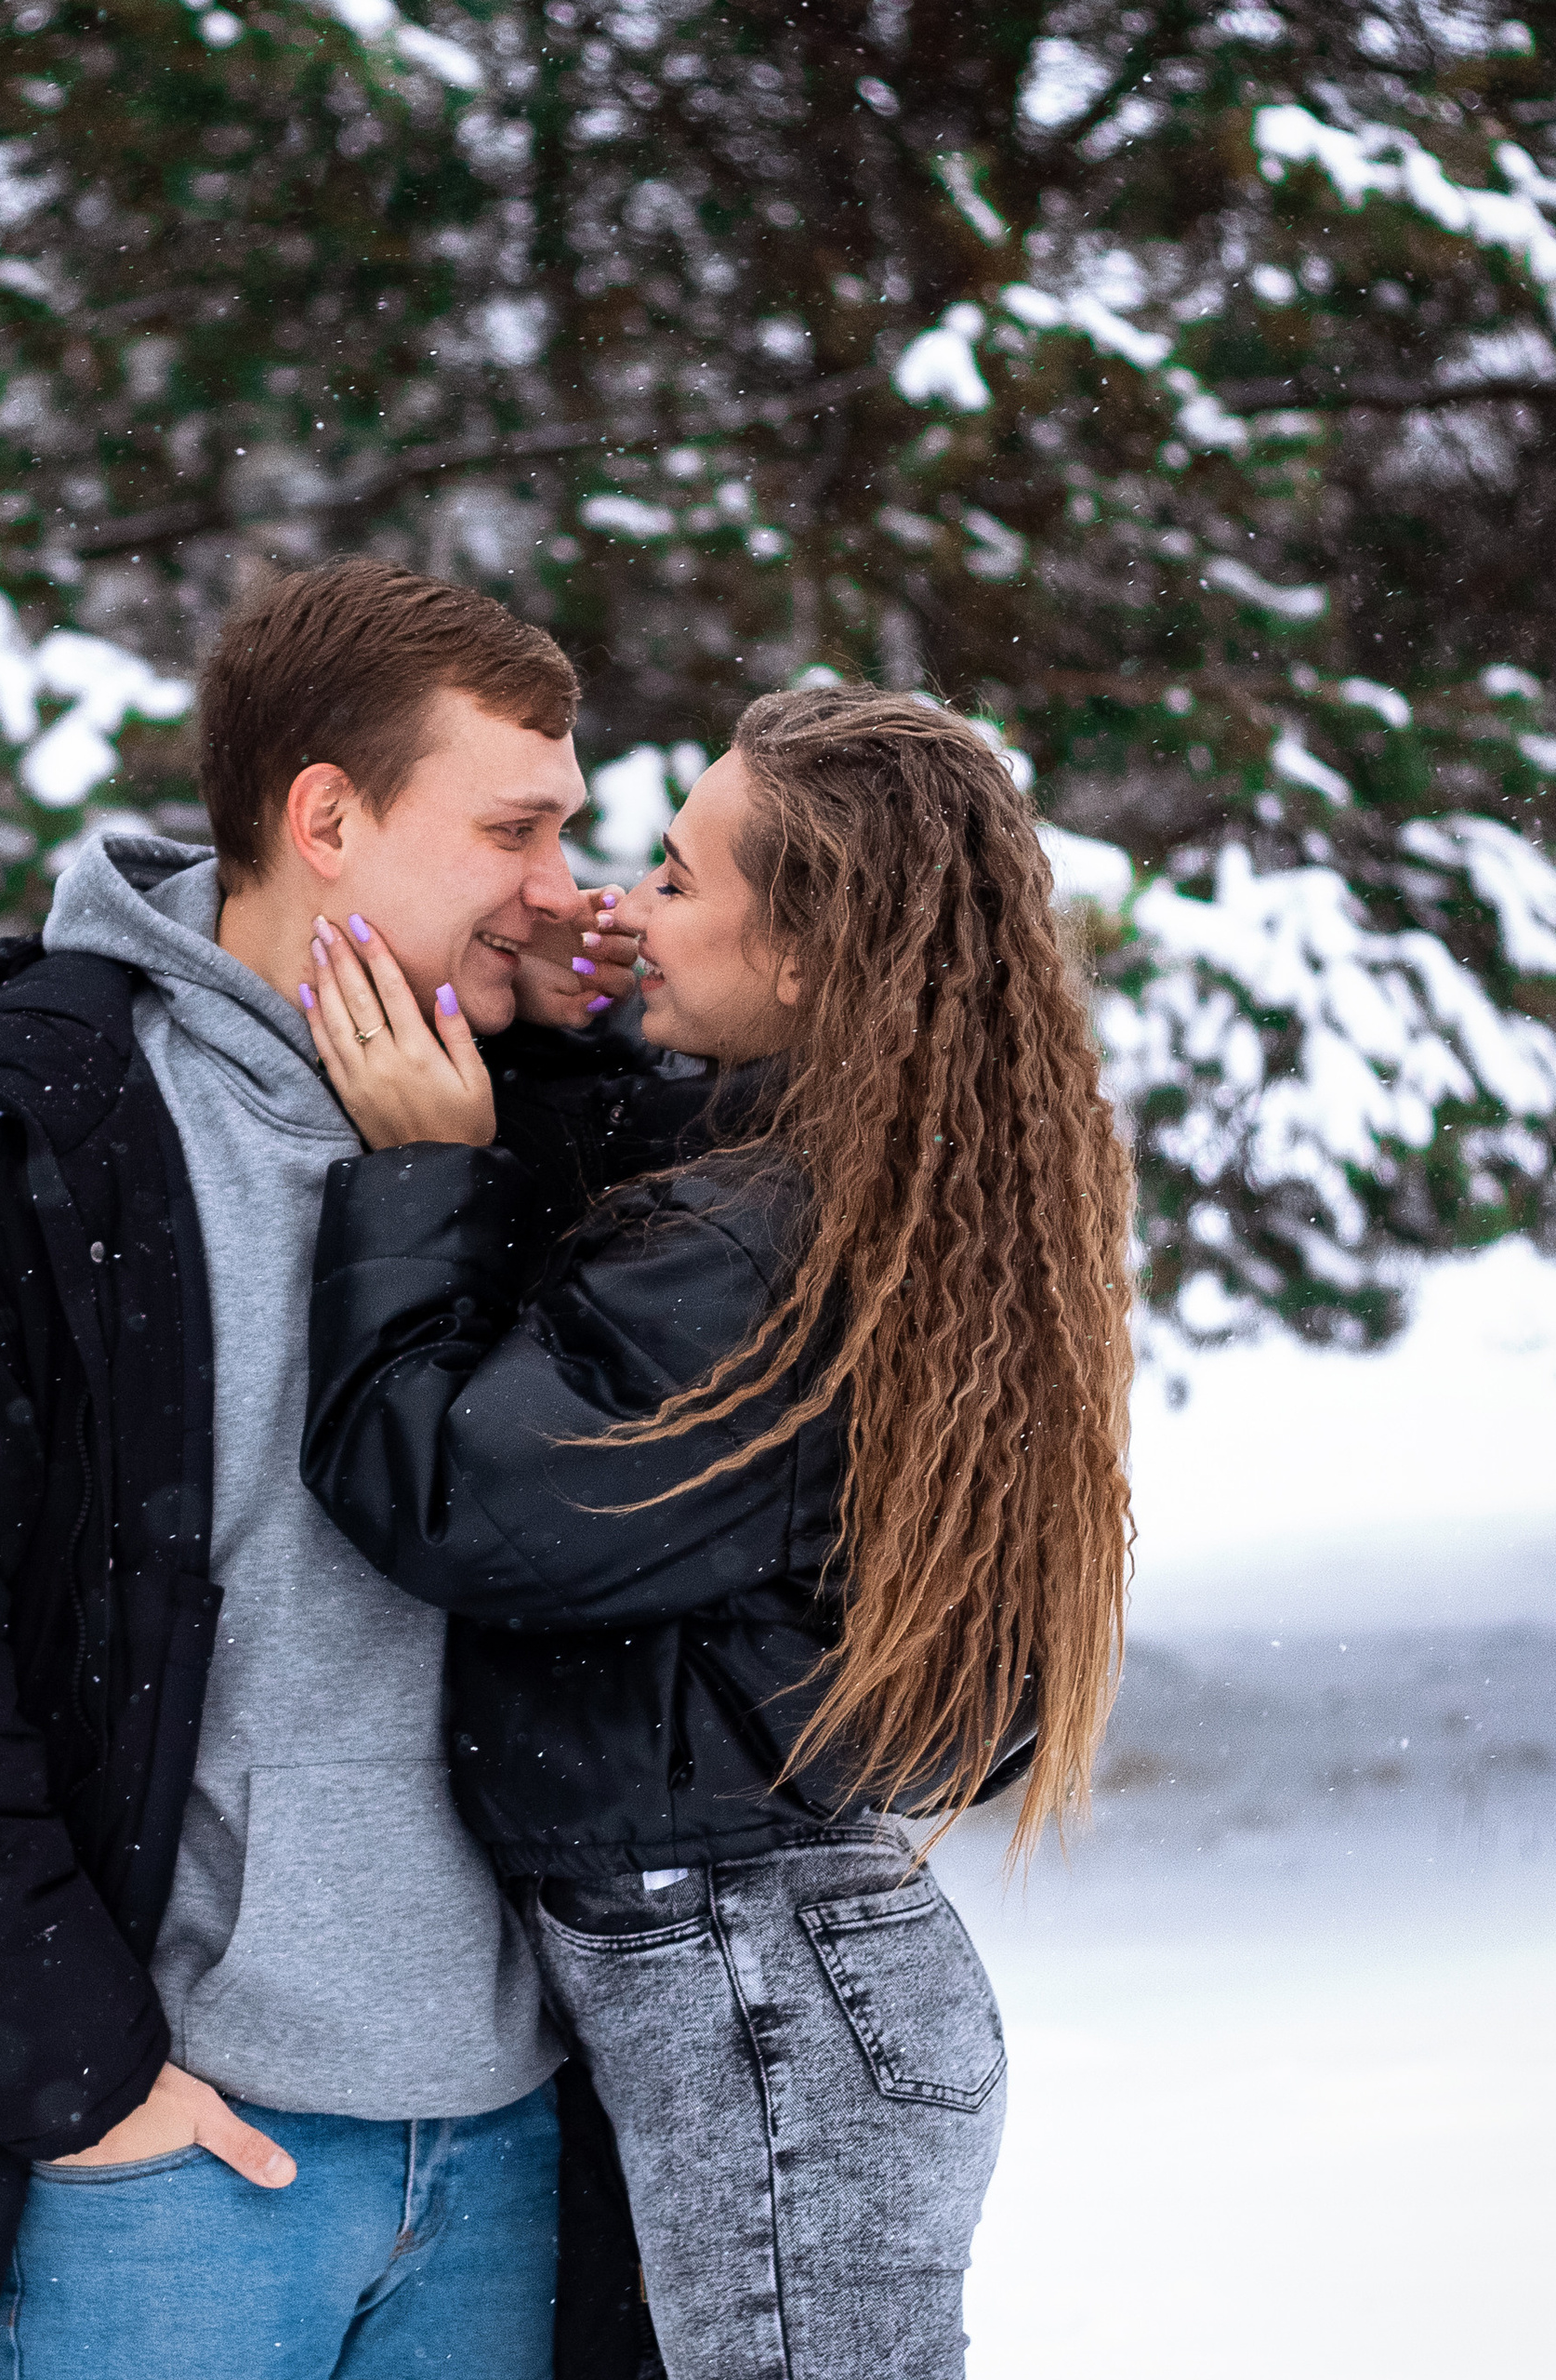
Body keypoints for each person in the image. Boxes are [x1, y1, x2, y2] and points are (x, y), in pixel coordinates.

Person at [0, 559, 644, 2380]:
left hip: (505, 2141)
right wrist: (82, 2079)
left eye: (568, 826)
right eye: (511, 826)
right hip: (171, 2170)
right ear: (326, 817)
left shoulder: (533, 1115)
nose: (559, 879)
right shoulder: (18, 1130)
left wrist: (610, 1061)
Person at [297, 685, 1137, 2380]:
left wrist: (420, 1174)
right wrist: (566, 1049)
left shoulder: (767, 1248)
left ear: (816, 953)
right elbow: (636, 1281)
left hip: (764, 1991)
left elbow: (457, 1499)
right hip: (785, 1973)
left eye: (673, 879)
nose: (609, 906)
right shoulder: (861, 1192)